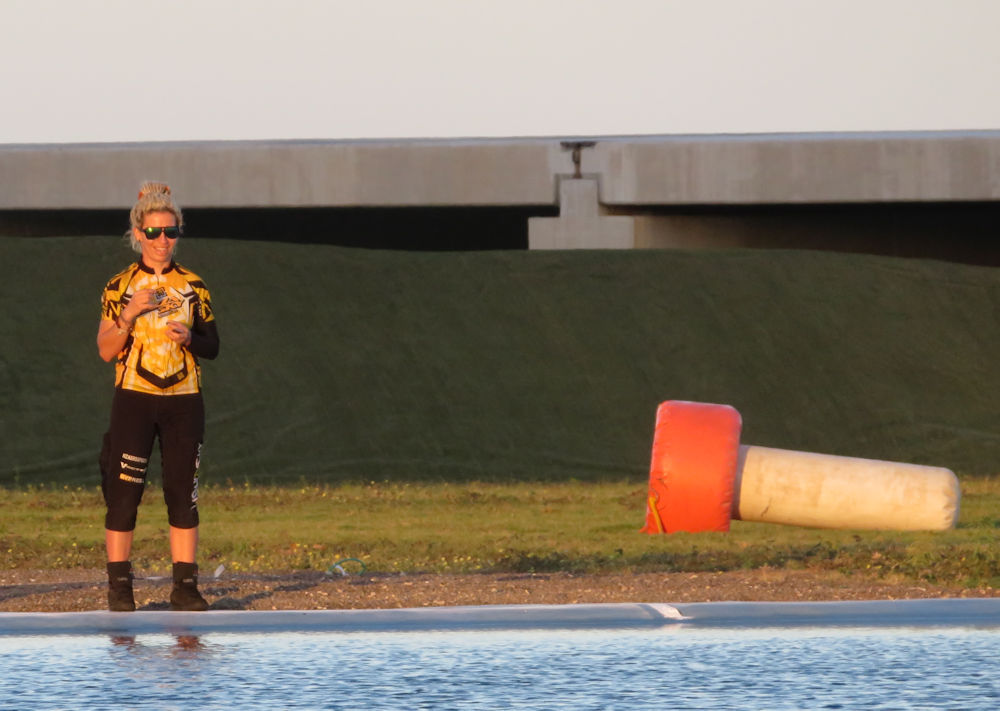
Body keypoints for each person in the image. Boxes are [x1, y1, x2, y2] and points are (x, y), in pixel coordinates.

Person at [96, 181, 219, 611]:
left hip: (184, 399)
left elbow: (213, 345)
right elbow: (106, 349)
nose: (162, 241)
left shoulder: (194, 285)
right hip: (134, 397)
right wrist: (129, 312)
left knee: (182, 492)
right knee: (124, 493)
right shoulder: (119, 285)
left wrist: (190, 338)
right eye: (153, 232)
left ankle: (185, 587)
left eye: (170, 232)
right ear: (137, 233)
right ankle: (120, 588)